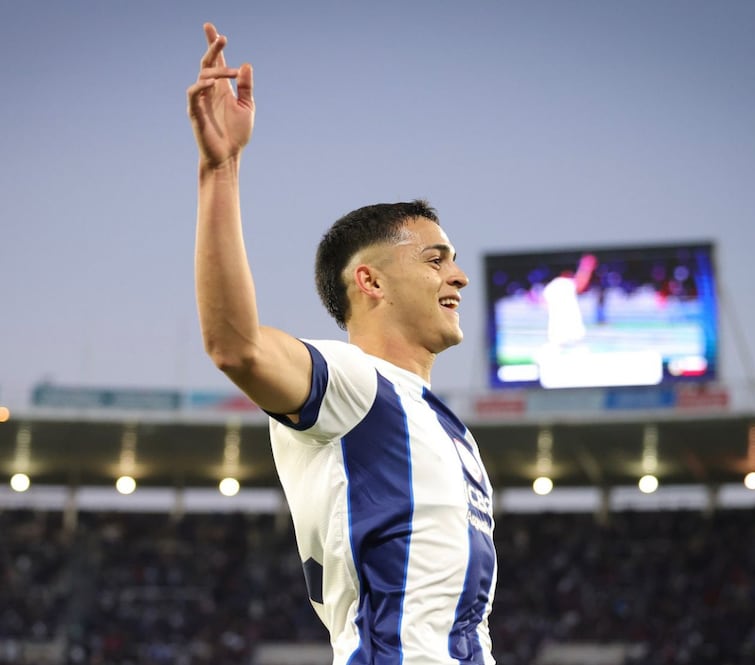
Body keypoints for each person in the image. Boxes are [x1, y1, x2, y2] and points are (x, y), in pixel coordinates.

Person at [187, 23, 497, 664]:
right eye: (437, 259)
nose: (459, 276)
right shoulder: (355, 382)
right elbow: (236, 345)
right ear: (370, 280)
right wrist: (221, 171)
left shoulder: (447, 427)